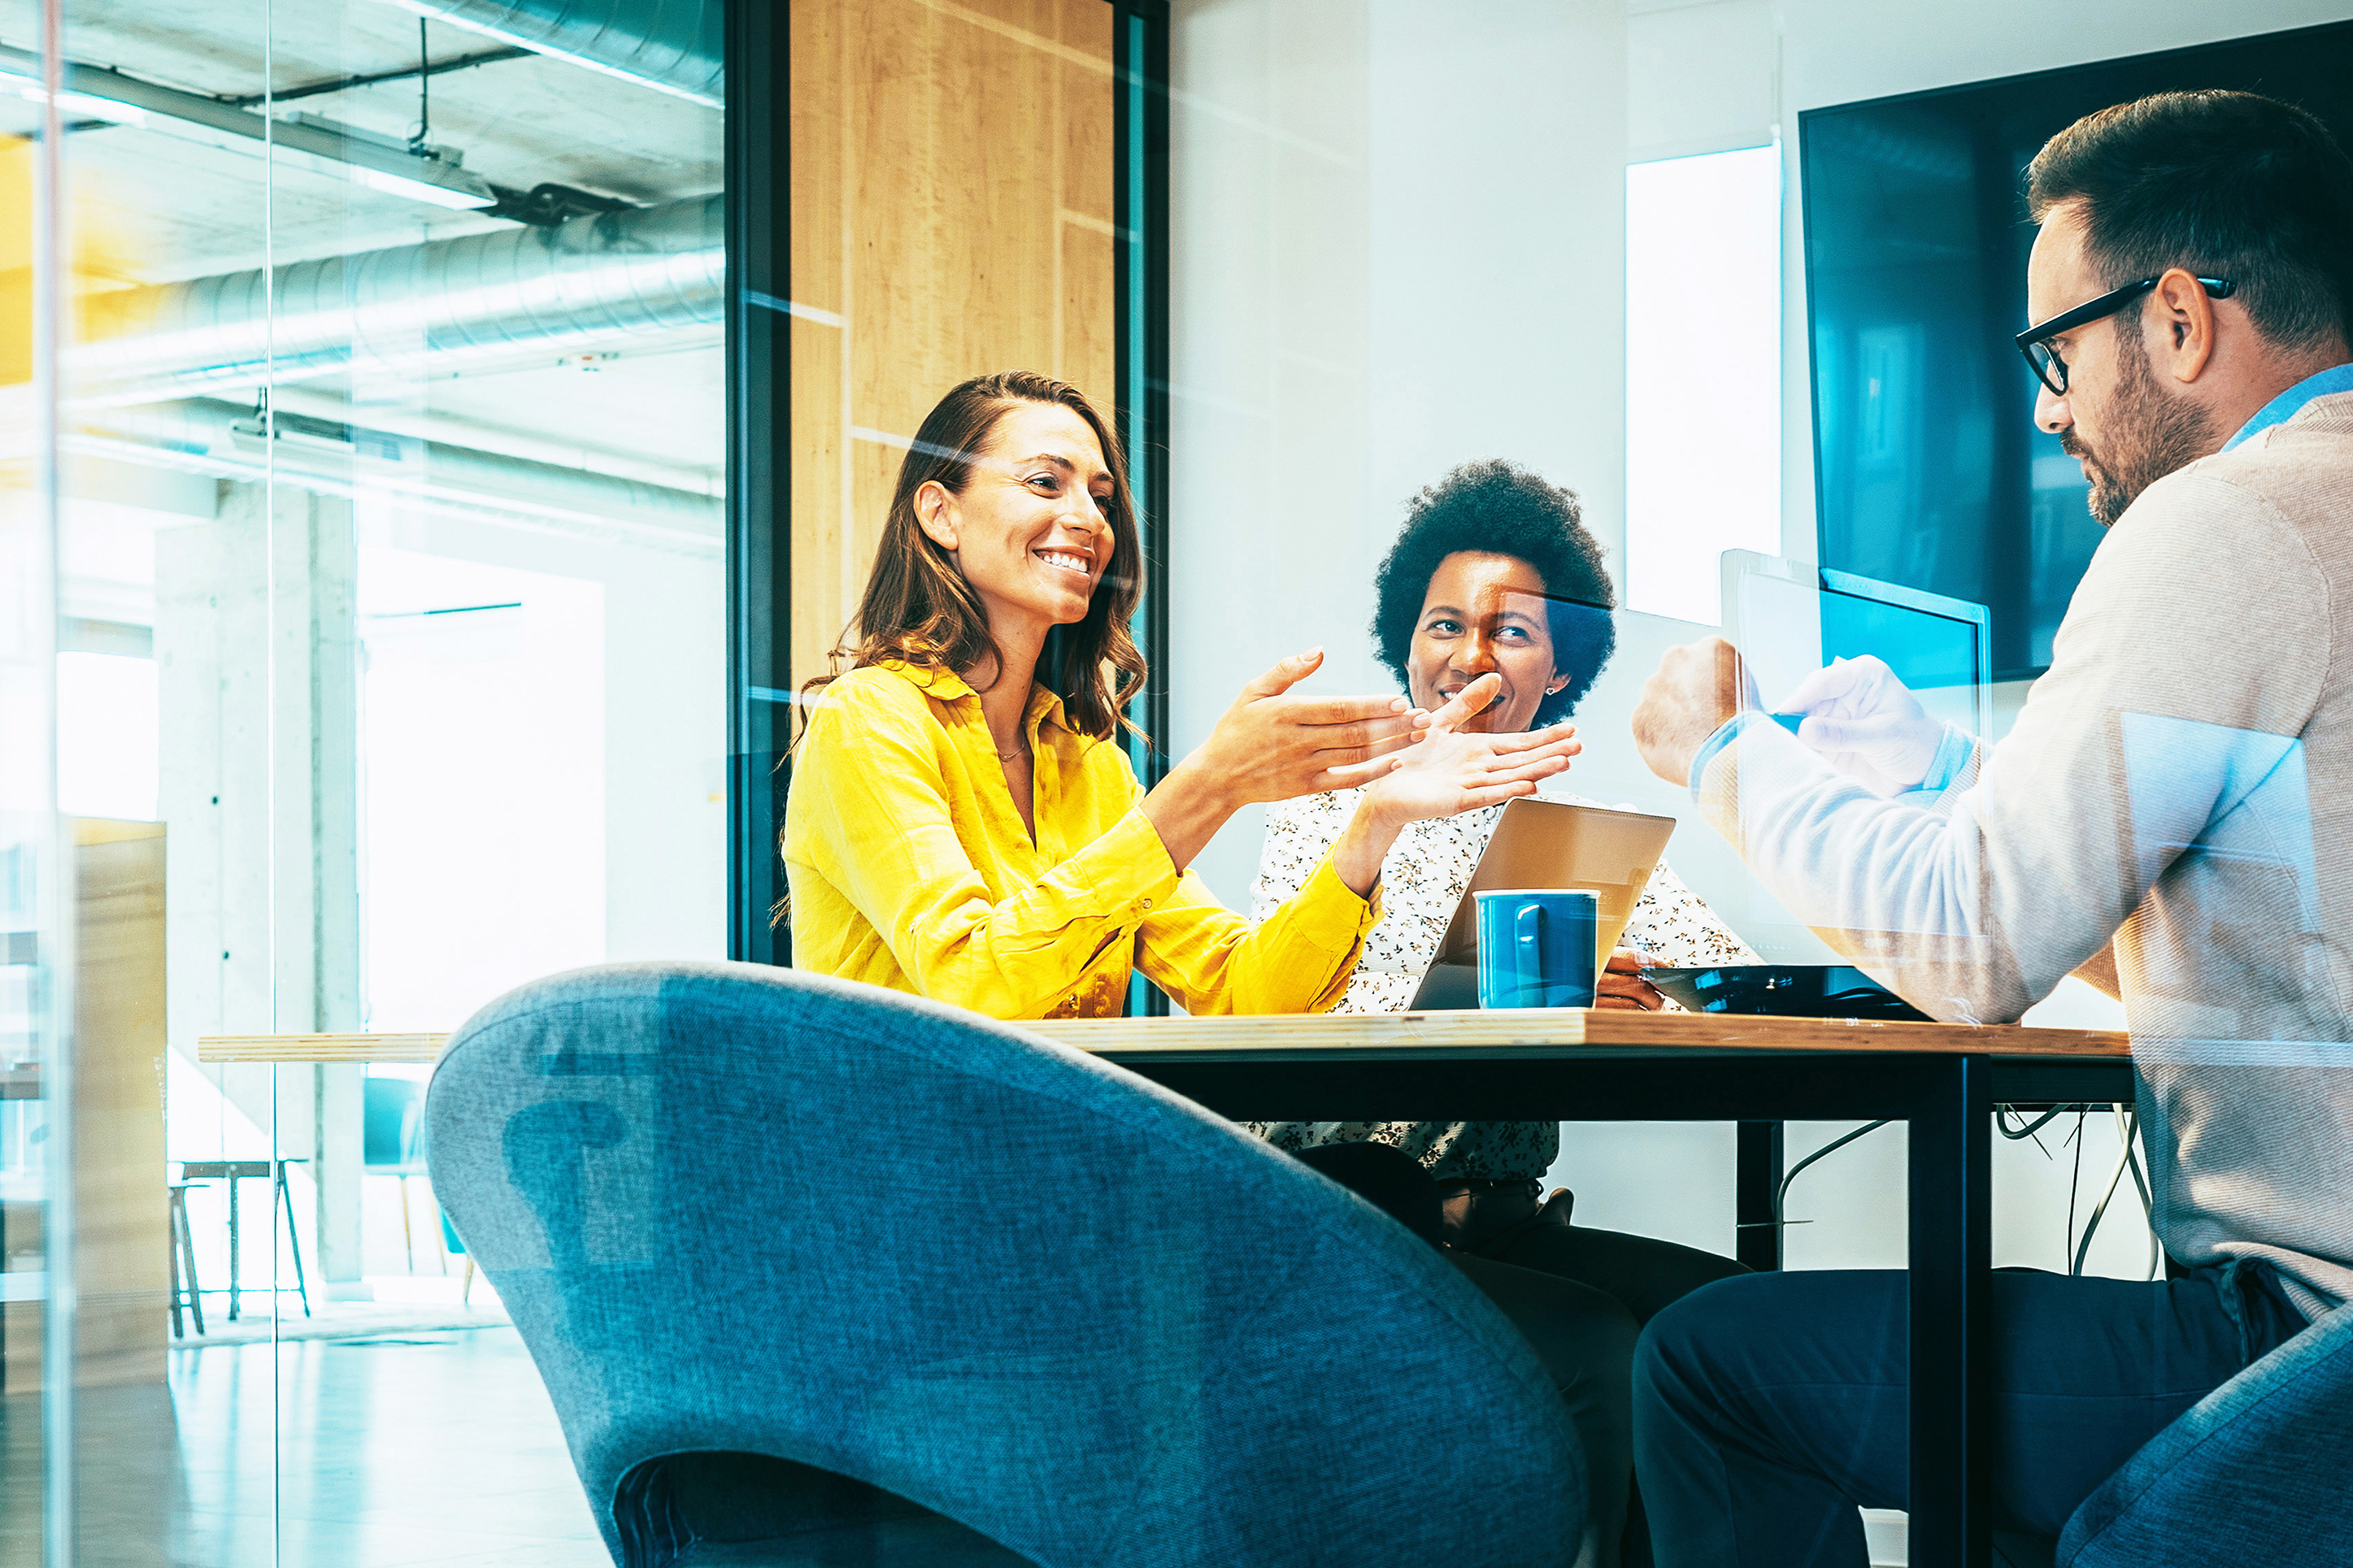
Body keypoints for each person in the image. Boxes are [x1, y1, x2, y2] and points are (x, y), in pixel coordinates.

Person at [1625, 91, 2353, 1565]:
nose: (2042, 406)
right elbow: (2274, 949)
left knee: (1707, 1366)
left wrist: (1719, 756)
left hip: (2300, 1361)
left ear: (2172, 318)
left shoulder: (2225, 516)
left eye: (2053, 352)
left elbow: (1970, 945)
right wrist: (1945, 782)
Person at [1249, 461, 1759, 1567]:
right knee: (1607, 1348)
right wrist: (1509, 983)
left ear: (1561, 663)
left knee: (1735, 1319)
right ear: (1406, 640)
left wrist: (1638, 972)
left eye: (1510, 632)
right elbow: (1302, 1009)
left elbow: (1722, 970)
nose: (1469, 655)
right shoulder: (1334, 799)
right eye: (1444, 624)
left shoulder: (1565, 827)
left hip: (1508, 1219)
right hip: (1343, 1215)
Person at [785, 371, 1583, 1020]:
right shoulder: (868, 719)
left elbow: (1245, 996)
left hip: (1062, 1170)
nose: (1086, 518)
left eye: (1099, 496)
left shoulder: (1084, 764)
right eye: (1043, 483)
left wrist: (1375, 822)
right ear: (939, 513)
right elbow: (976, 986)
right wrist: (1208, 786)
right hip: (906, 1186)